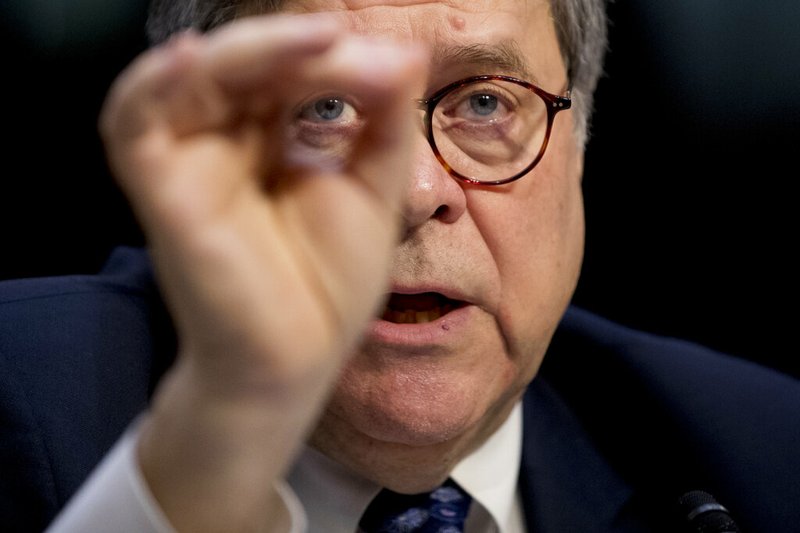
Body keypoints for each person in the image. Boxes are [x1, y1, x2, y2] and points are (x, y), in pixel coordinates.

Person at [0, 1, 798, 532]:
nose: (416, 190)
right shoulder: (18, 389)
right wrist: (228, 417)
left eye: (485, 101)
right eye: (324, 108)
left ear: (579, 148)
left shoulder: (761, 451)